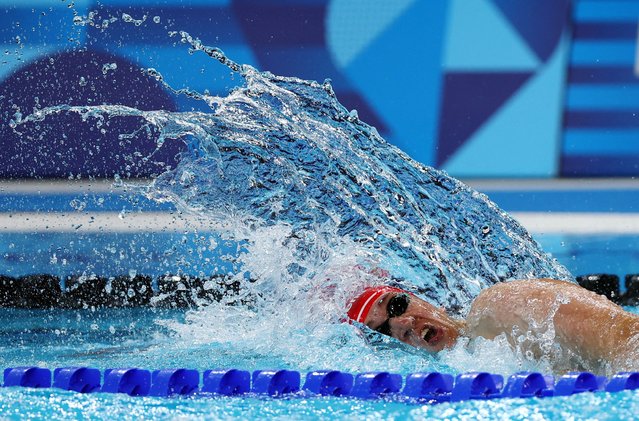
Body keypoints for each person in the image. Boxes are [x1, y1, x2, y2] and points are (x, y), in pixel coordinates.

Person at [346, 279, 639, 372]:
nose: (403, 324)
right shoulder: (464, 366)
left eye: (396, 305)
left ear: (426, 301)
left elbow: (626, 338)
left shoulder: (498, 307)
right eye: (383, 331)